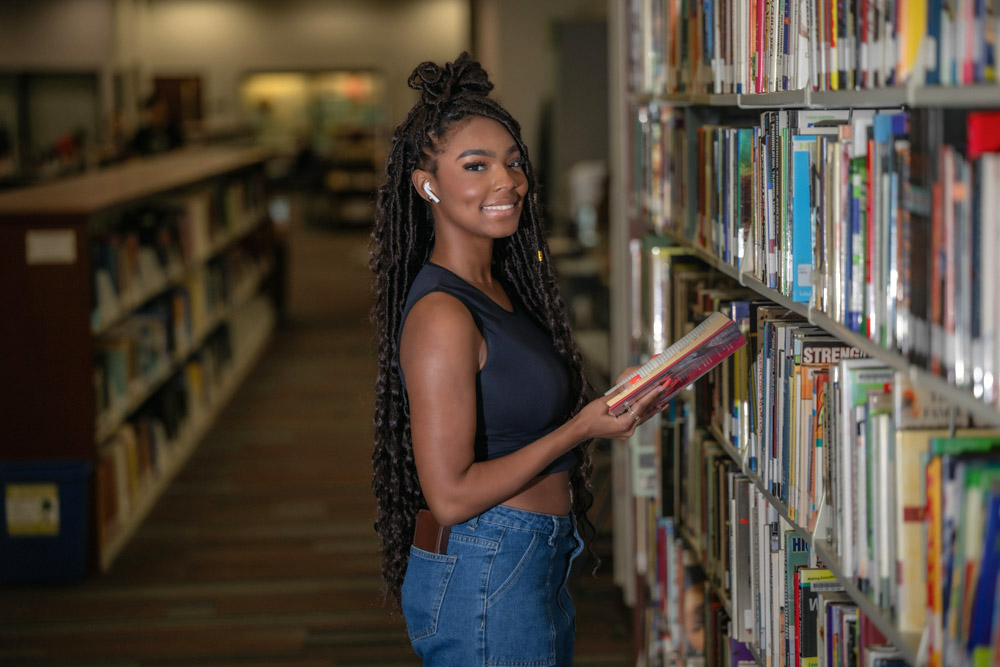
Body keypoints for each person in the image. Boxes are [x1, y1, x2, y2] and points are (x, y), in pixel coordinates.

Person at [369, 52, 661, 665]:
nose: (507, 181)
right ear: (427, 185)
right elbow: (448, 496)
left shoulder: (499, 286)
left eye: (513, 162)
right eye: (475, 166)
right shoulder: (443, 316)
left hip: (529, 557)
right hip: (488, 563)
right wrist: (581, 428)